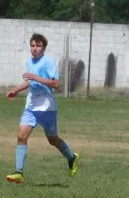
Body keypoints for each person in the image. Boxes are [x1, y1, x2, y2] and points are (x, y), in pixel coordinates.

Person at [5, 33, 80, 185]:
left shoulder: (48, 62)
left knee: (52, 139)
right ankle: (19, 172)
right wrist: (16, 90)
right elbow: (29, 82)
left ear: (44, 48)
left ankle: (72, 157)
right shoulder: (29, 62)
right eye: (32, 45)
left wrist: (35, 77)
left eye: (38, 46)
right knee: (21, 137)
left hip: (47, 107)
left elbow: (55, 84)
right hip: (31, 106)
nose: (35, 49)